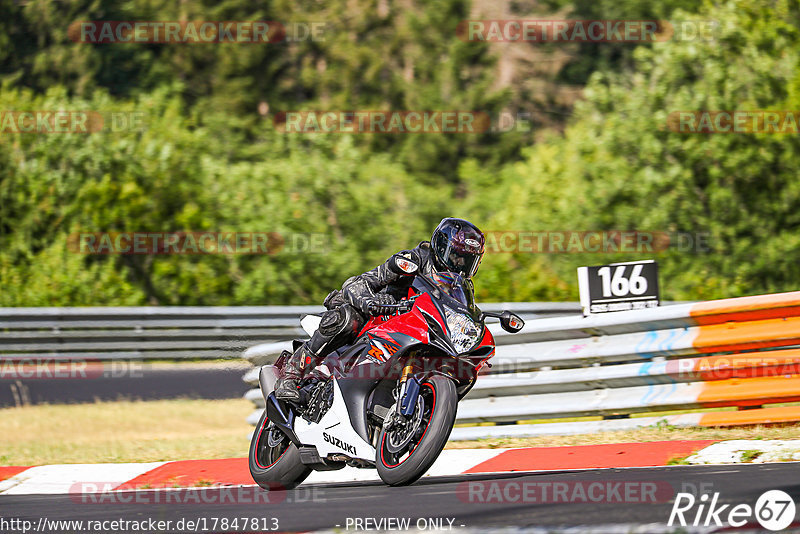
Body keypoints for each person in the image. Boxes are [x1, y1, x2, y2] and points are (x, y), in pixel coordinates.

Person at [274, 217, 485, 402]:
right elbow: (357, 282)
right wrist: (368, 301)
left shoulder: (460, 289)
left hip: (412, 333)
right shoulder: (414, 259)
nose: (459, 264)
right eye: (456, 256)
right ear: (441, 246)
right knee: (348, 319)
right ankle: (292, 374)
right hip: (378, 317)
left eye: (467, 261)